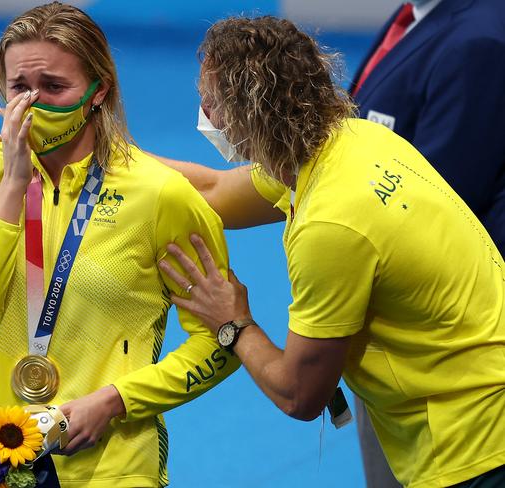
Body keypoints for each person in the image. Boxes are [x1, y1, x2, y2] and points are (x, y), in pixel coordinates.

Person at [154, 15, 505, 488]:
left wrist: (231, 323)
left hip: (473, 448)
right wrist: (108, 158)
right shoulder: (355, 139)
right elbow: (215, 191)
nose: (204, 116)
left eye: (211, 103)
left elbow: (299, 394)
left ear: (250, 114)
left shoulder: (330, 224)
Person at [0, 3, 239, 487]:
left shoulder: (160, 195)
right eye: (19, 88)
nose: (34, 104)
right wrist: (14, 184)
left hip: (113, 464)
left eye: (55, 87)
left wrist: (115, 401)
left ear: (100, 90)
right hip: (1, 452)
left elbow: (222, 343)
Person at [350, 1, 505, 484]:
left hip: (437, 345)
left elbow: (443, 196)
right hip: (396, 333)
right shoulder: (412, 15)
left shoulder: (481, 40)